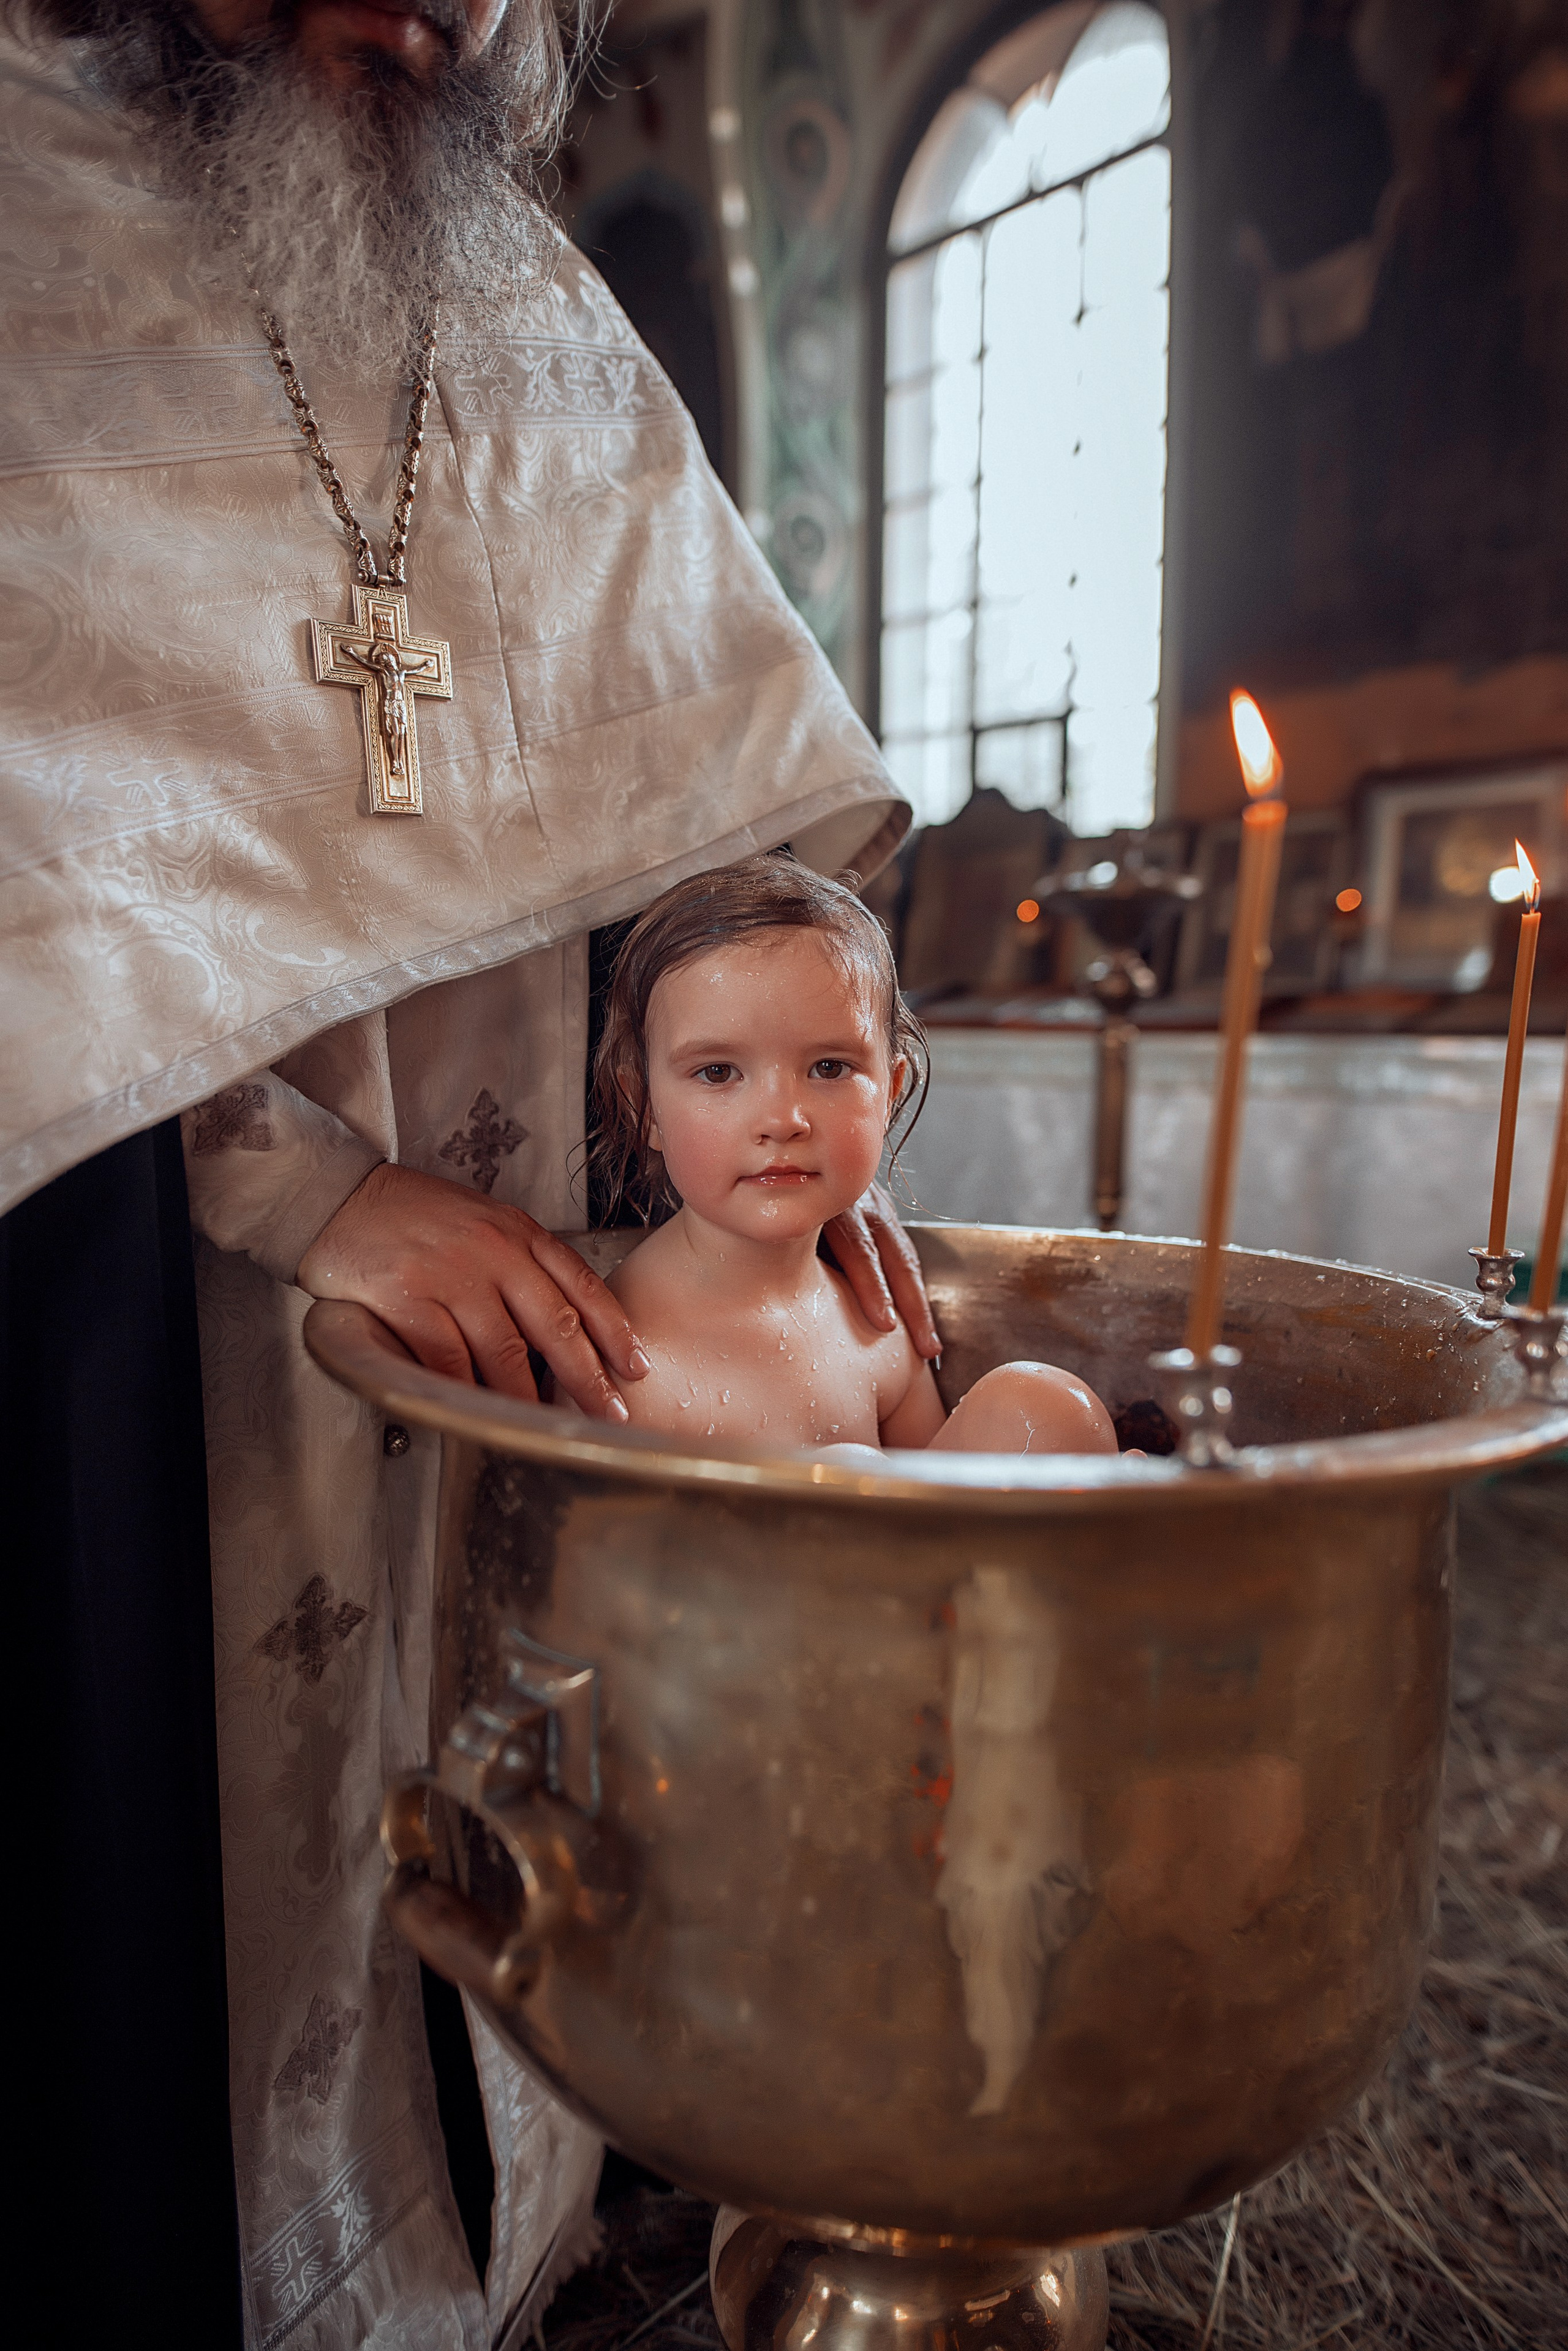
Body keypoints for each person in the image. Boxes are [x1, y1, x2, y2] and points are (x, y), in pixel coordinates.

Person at [1, 4, 930, 2342]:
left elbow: (713, 810)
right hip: (134, 1275)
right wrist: (299, 1184)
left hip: (551, 1207)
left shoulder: (537, 312)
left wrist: (786, 1115)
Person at [594, 858, 1120, 1461]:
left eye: (829, 1068)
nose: (783, 1119)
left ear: (890, 1093)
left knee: (1040, 1406)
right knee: (850, 1470)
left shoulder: (873, 1330)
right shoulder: (616, 1354)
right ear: (648, 1108)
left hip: (889, 1555)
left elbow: (937, 1527)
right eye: (718, 1072)